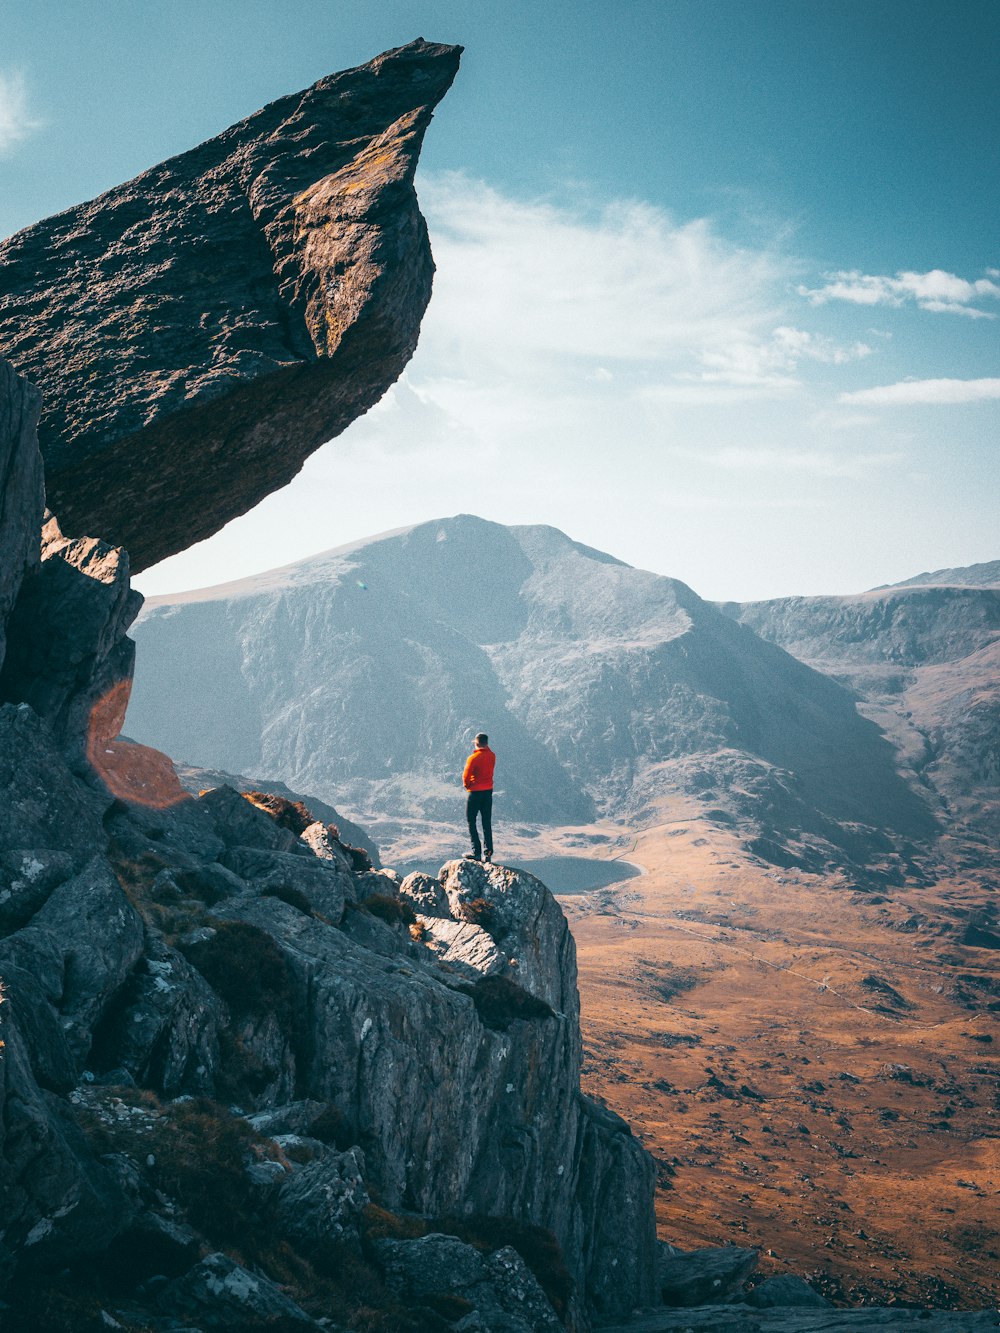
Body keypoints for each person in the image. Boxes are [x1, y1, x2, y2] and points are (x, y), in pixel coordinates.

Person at [462, 732, 495, 862]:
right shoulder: (492, 756)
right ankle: (488, 854)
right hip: (488, 792)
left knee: (471, 820)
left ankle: (476, 852)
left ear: (476, 743)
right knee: (486, 822)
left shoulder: (473, 758)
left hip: (475, 793)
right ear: (487, 743)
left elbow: (466, 776)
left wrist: (468, 786)